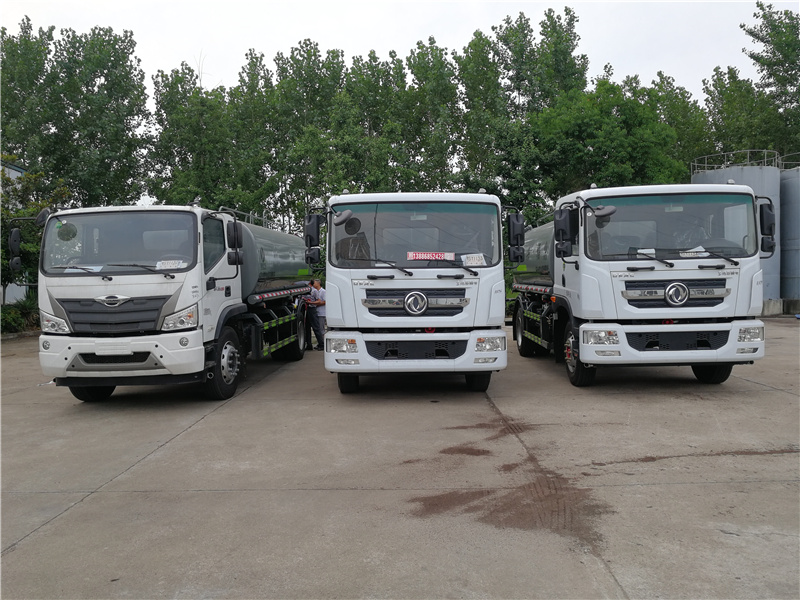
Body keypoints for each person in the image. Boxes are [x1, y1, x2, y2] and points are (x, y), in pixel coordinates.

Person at [310, 279, 326, 350]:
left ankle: (323, 344)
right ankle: (320, 343)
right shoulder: (315, 291)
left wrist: (315, 304)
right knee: (318, 328)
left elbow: (325, 302)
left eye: (314, 283)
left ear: (318, 283)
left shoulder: (323, 291)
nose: (313, 284)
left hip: (321, 312)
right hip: (317, 312)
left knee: (321, 329)